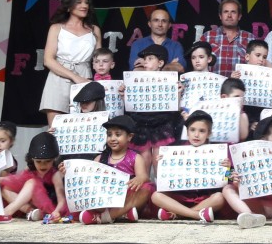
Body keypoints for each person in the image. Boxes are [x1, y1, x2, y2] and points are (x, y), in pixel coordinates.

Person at [40, 0, 102, 127]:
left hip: (85, 77)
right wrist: (75, 77)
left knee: (84, 128)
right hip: (58, 79)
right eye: (79, 2)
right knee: (56, 131)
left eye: (86, 2)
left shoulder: (94, 30)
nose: (84, 6)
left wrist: (105, 83)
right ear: (68, 6)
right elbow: (48, 60)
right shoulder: (56, 28)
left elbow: (100, 61)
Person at [152, 111, 228, 223]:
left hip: (204, 198)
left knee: (219, 197)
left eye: (202, 131)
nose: (196, 135)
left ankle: (178, 214)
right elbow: (164, 180)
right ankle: (196, 215)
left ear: (209, 133)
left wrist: (227, 169)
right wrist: (162, 164)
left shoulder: (217, 152)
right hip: (179, 197)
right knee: (156, 196)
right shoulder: (174, 149)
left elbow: (226, 180)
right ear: (187, 132)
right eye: (192, 130)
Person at [79, 115, 152, 225]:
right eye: (109, 135)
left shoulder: (135, 158)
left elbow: (144, 176)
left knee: (147, 188)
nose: (112, 138)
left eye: (118, 135)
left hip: (127, 196)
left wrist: (139, 179)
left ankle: (105, 217)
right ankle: (123, 214)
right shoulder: (100, 158)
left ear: (129, 137)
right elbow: (90, 179)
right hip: (106, 198)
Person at [0, 132, 66, 224]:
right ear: (32, 159)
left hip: (49, 207)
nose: (43, 165)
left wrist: (56, 211)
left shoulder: (55, 175)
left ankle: (5, 213)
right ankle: (30, 211)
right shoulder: (31, 169)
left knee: (32, 183)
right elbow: (15, 181)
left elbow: (61, 200)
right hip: (32, 203)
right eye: (38, 161)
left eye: (47, 161)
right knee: (6, 188)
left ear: (54, 159)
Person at [126, 44, 179, 177]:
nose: (145, 62)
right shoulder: (135, 79)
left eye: (150, 59)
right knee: (144, 158)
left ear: (160, 63)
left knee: (158, 158)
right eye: (144, 59)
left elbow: (175, 108)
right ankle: (145, 188)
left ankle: (159, 188)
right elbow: (130, 105)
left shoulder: (170, 80)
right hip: (141, 123)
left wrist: (178, 93)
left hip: (162, 123)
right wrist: (124, 94)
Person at [200, 0, 255, 77]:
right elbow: (197, 63)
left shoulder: (250, 38)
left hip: (240, 87)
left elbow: (257, 66)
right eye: (226, 12)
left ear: (239, 16)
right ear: (220, 16)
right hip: (212, 86)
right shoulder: (207, 36)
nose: (229, 15)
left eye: (233, 12)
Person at [220, 78, 250, 142]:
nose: (240, 100)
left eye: (242, 98)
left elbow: (243, 136)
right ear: (224, 97)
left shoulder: (243, 115)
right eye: (236, 97)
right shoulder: (214, 111)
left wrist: (238, 112)